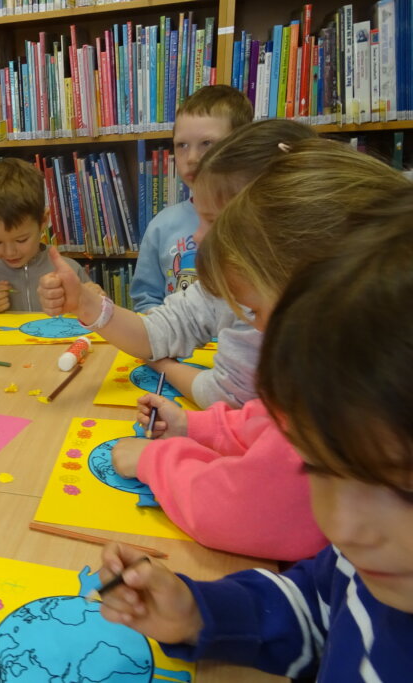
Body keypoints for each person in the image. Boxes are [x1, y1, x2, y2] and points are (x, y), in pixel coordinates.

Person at [98, 185, 413, 681]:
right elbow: (320, 607)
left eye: (404, 488)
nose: (342, 527)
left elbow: (243, 501)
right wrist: (200, 613)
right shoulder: (369, 565)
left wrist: (160, 456)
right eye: (319, 468)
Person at [108, 140, 410, 560]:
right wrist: (193, 427)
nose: (256, 328)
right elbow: (269, 422)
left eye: (256, 310)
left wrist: (154, 461)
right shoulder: (336, 370)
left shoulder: (344, 401)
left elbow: (238, 511)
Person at [38, 119, 318, 408]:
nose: (196, 236)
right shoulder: (227, 283)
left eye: (212, 221)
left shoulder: (273, 306)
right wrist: (84, 303)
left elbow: (229, 397)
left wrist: (164, 366)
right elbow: (157, 332)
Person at [130, 85, 253, 311]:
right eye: (182, 145)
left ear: (241, 145)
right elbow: (146, 300)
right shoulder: (162, 226)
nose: (192, 158)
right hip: (174, 332)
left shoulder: (260, 223)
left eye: (207, 143)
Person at [0, 158, 91, 313]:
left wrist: (93, 300)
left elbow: (96, 316)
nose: (9, 252)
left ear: (43, 221)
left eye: (21, 240)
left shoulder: (70, 271)